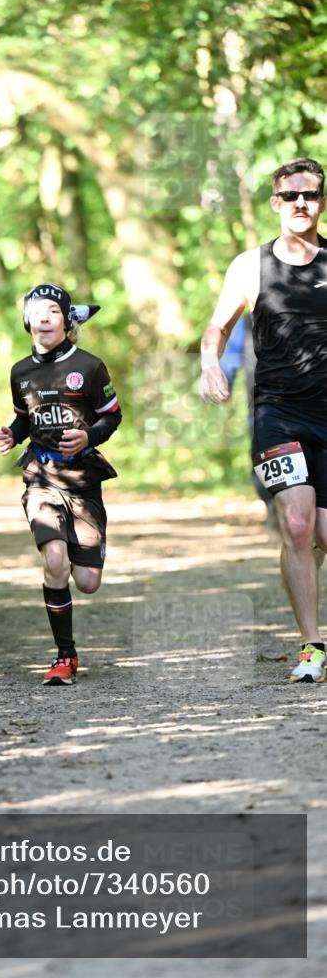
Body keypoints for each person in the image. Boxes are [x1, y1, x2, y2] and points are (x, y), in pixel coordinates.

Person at [199, 157, 327, 683]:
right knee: (297, 525)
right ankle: (312, 647)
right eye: (291, 195)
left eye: (312, 195)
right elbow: (217, 327)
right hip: (277, 411)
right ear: (276, 203)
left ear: (321, 202)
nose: (302, 203)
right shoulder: (250, 267)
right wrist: (210, 363)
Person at [0, 283, 122, 685]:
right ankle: (65, 656)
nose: (45, 317)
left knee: (87, 582)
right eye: (37, 311)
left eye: (54, 310)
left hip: (83, 482)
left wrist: (89, 436)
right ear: (27, 321)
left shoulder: (89, 366)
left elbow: (112, 416)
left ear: (68, 321)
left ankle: (77, 552)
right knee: (54, 560)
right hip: (41, 478)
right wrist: (12, 434)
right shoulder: (20, 372)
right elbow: (23, 417)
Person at [219, 314, 276, 525]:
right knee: (263, 463)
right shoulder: (245, 325)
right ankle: (274, 508)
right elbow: (230, 361)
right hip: (261, 412)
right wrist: (223, 383)